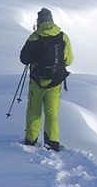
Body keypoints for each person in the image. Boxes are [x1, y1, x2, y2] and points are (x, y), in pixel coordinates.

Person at [19, 8, 73, 151]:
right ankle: (52, 142)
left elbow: (24, 59)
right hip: (55, 82)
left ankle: (31, 140)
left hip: (37, 81)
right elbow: (69, 60)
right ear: (51, 20)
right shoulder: (62, 36)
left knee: (33, 112)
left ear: (39, 21)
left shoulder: (34, 37)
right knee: (52, 113)